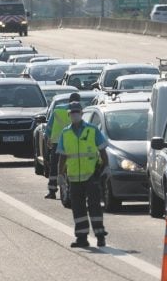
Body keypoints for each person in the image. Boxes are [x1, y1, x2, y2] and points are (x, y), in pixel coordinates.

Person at [57, 100, 109, 248]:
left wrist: (106, 167)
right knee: (78, 209)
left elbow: (102, 150)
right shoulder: (65, 133)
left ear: (81, 113)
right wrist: (60, 174)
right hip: (74, 178)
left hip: (91, 174)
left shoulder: (92, 130)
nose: (74, 115)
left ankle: (100, 235)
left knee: (94, 206)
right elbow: (62, 156)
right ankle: (82, 238)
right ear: (69, 115)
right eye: (72, 113)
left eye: (77, 112)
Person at [44, 92, 80, 199]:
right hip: (73, 143)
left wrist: (48, 138)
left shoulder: (58, 110)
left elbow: (49, 127)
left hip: (57, 142)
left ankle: (52, 190)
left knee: (55, 166)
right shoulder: (80, 111)